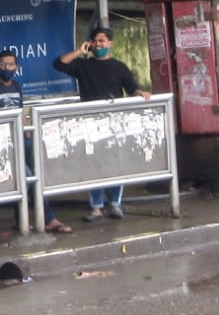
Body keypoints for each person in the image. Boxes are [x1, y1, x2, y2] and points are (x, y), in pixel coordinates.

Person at [53, 27, 152, 222]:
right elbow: (59, 64)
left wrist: (140, 93)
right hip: (89, 124)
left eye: (103, 41)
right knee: (93, 164)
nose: (99, 44)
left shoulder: (119, 67)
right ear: (90, 43)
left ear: (110, 43)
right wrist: (80, 52)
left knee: (116, 162)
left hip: (115, 124)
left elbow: (132, 88)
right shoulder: (83, 65)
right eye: (96, 41)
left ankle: (115, 203)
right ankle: (96, 207)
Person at [0, 49, 71, 234]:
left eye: (11, 64)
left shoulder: (16, 86)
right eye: (4, 64)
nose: (7, 68)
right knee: (26, 176)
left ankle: (41, 219)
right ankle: (37, 220)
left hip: (21, 141)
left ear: (17, 67)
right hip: (2, 146)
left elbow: (21, 113)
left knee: (37, 173)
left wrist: (27, 135)